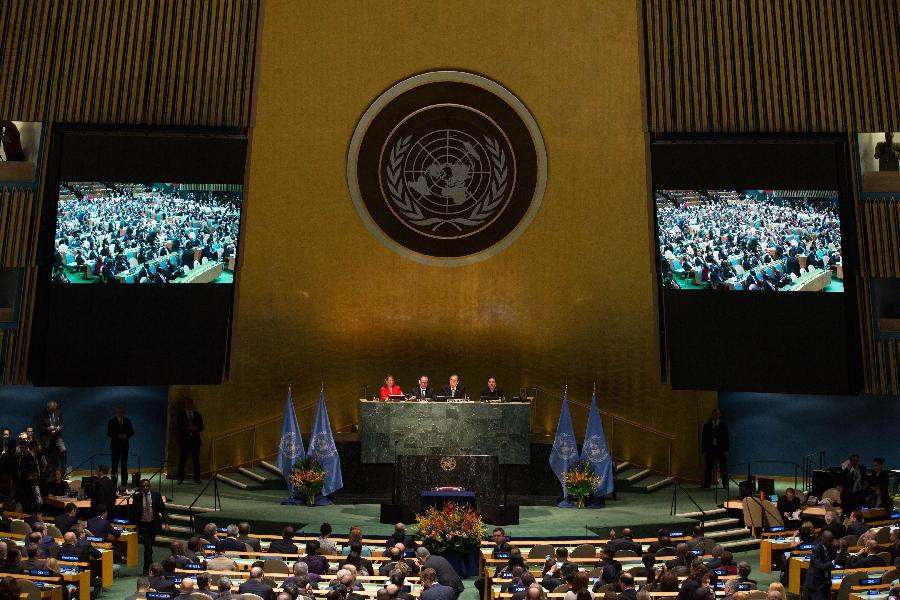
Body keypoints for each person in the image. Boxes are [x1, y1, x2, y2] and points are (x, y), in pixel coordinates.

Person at [129, 478, 168, 574]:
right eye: (143, 486)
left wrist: (166, 522)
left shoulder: (156, 496)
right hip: (143, 525)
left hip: (153, 525)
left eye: (147, 486)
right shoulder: (137, 497)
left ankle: (146, 569)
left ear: (149, 486)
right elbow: (133, 512)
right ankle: (151, 570)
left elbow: (162, 509)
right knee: (148, 547)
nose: (145, 488)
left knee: (149, 548)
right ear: (140, 487)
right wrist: (133, 525)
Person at [176, 398, 204, 483]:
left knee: (196, 460)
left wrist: (196, 428)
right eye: (187, 404)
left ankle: (197, 478)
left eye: (190, 404)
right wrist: (187, 428)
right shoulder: (181, 415)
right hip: (184, 441)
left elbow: (202, 427)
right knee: (182, 460)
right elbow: (177, 427)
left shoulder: (198, 414)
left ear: (192, 405)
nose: (189, 406)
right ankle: (180, 478)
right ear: (185, 405)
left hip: (195, 441)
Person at [803, 531, 837, 600]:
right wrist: (833, 563)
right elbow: (820, 566)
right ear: (822, 539)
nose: (831, 543)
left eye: (832, 541)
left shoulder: (832, 547)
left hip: (826, 580)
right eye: (829, 541)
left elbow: (833, 561)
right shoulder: (816, 549)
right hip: (816, 581)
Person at [107, 406, 135, 488]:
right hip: (115, 446)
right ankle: (113, 483)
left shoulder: (127, 421)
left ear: (124, 412)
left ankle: (124, 482)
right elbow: (109, 433)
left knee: (124, 465)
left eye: (122, 412)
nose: (120, 413)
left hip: (125, 446)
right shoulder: (112, 421)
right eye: (119, 412)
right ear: (116, 412)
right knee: (114, 466)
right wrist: (118, 436)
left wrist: (126, 436)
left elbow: (132, 432)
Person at [701, 408, 728, 489]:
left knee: (723, 468)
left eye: (718, 414)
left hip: (721, 450)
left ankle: (725, 484)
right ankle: (707, 484)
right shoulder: (707, 425)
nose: (717, 415)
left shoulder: (723, 426)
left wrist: (726, 450)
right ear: (712, 415)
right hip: (710, 450)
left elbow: (727, 439)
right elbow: (704, 439)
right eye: (715, 414)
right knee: (708, 468)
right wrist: (704, 450)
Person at [38, 400, 66, 474]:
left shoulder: (58, 412)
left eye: (54, 410)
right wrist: (48, 428)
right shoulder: (42, 414)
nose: (53, 412)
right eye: (51, 410)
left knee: (63, 450)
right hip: (46, 436)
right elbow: (40, 427)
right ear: (48, 408)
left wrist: (58, 428)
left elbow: (62, 424)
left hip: (57, 435)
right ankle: (47, 472)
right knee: (46, 451)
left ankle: (63, 471)